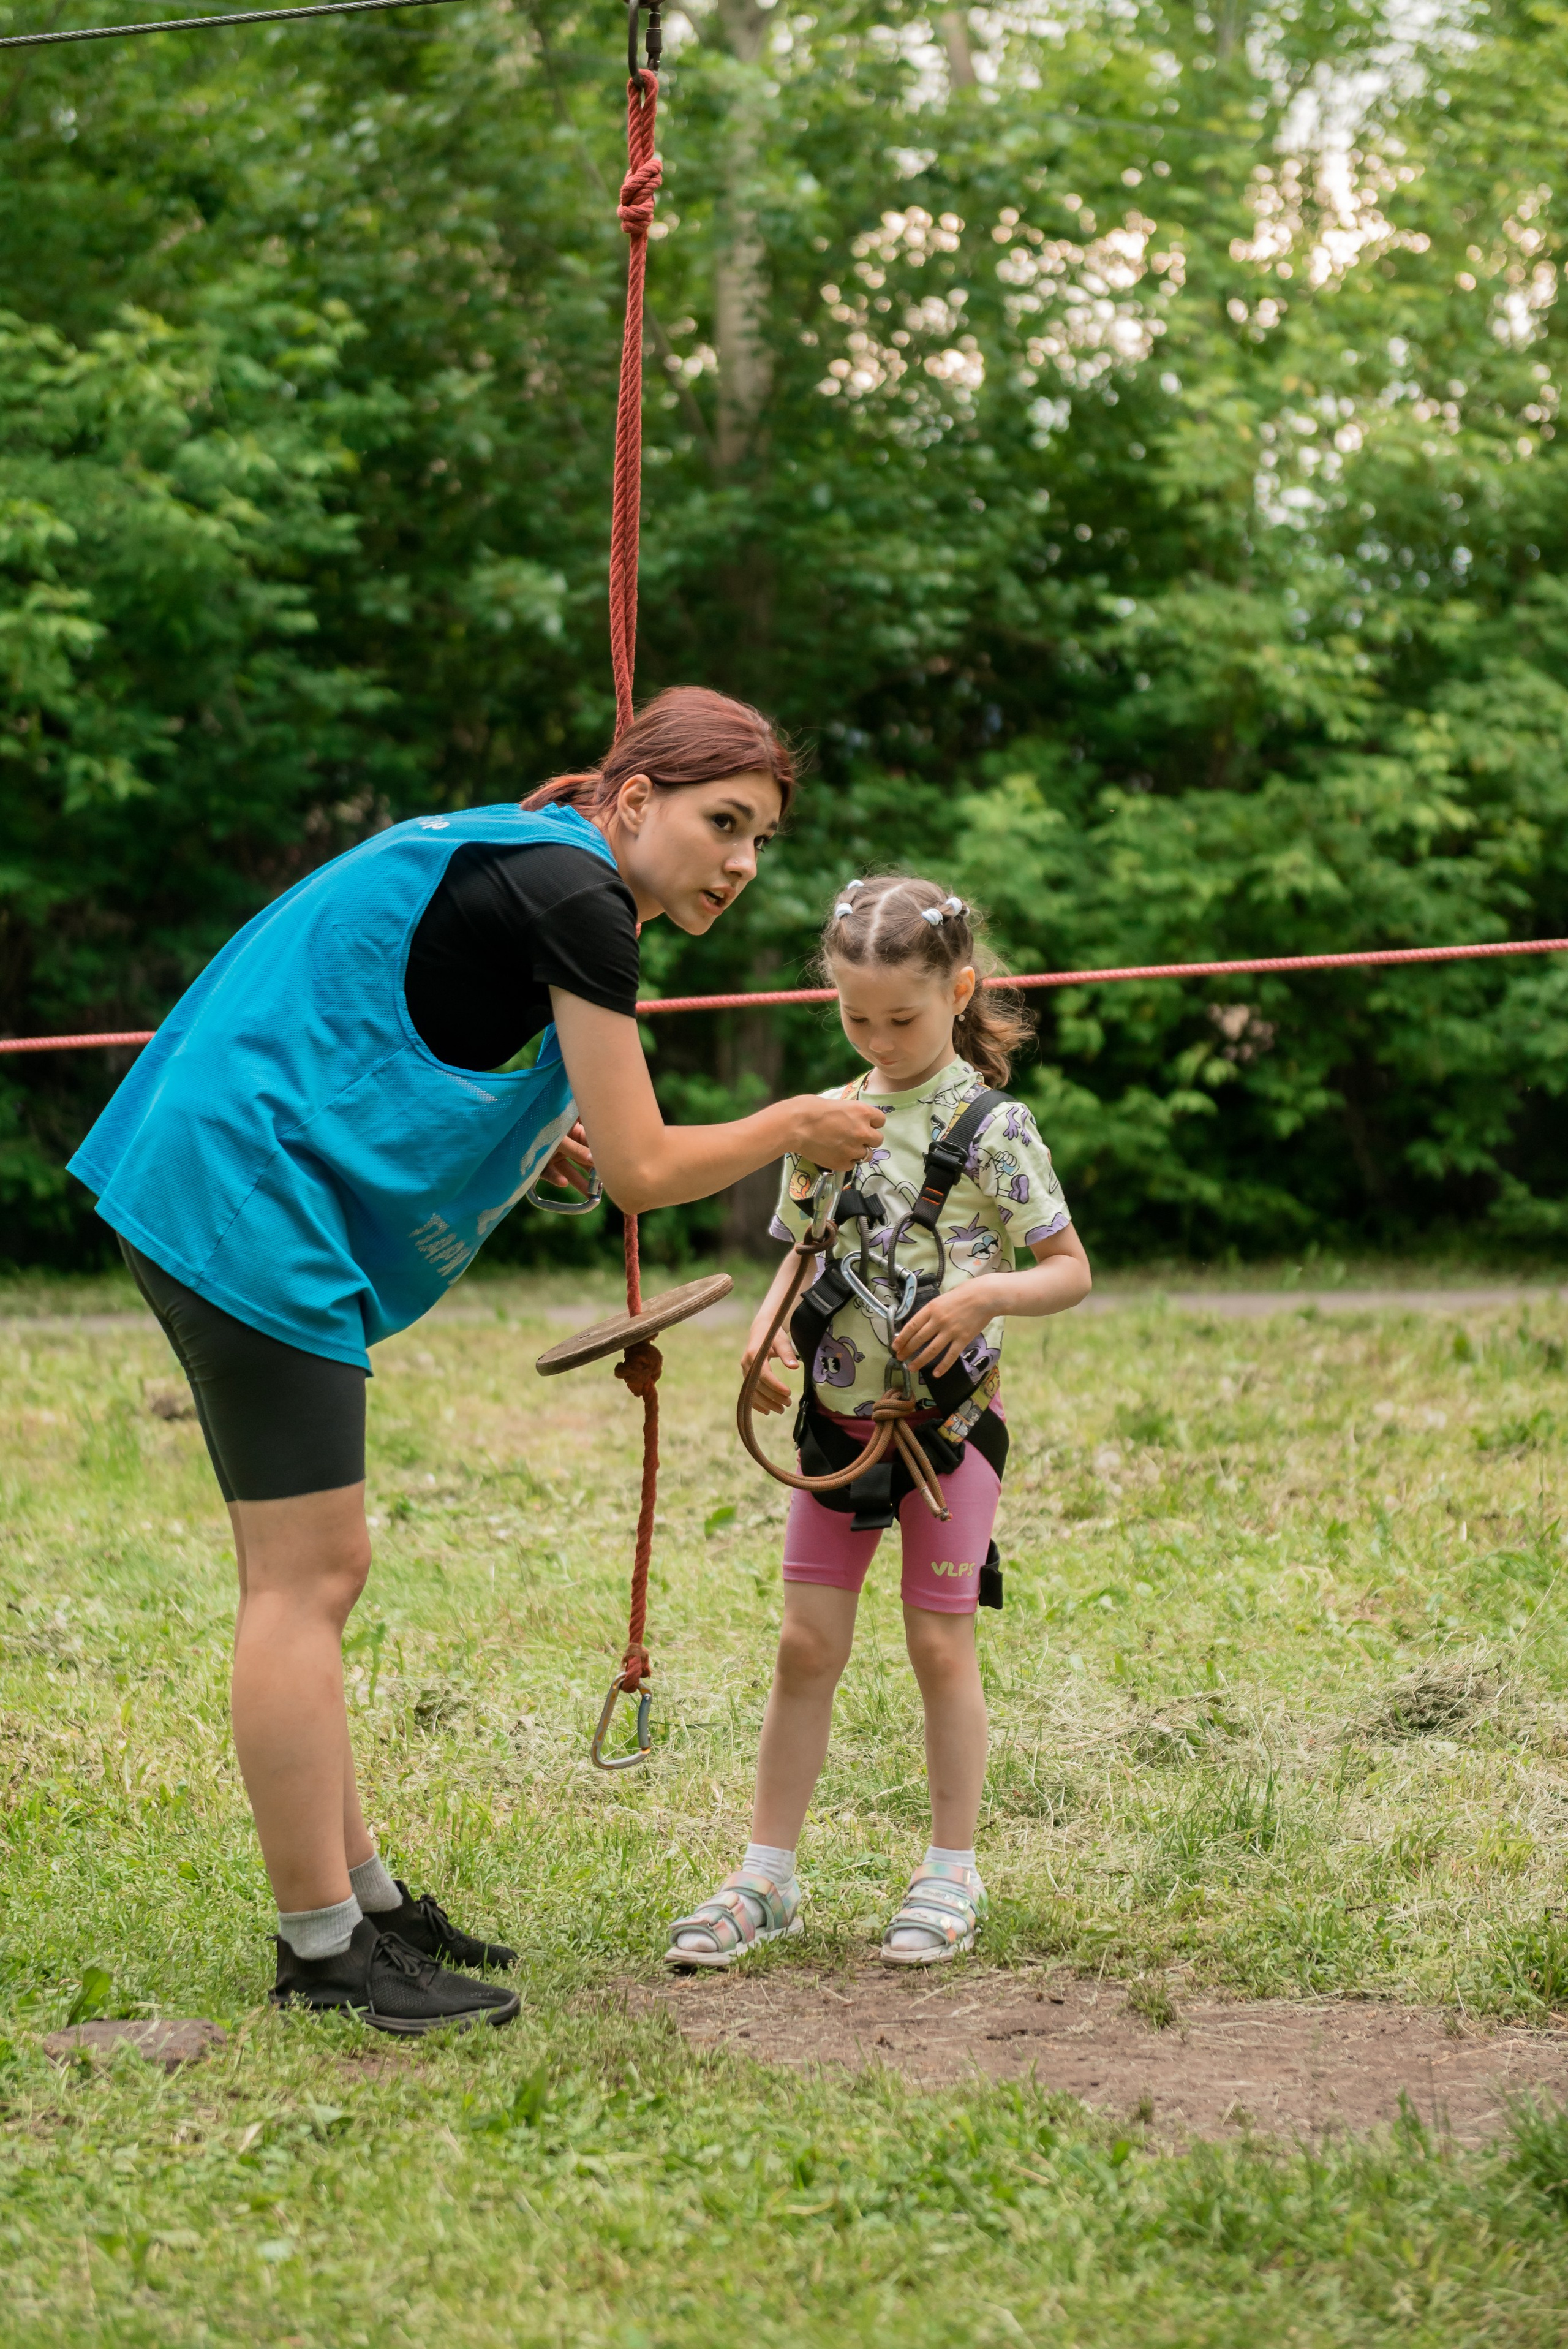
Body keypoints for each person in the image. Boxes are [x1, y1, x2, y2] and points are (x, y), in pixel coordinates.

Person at [67, 687, 884, 2033]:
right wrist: (787, 1123)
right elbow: (643, 1170)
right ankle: (324, 1957)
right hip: (239, 1198)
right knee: (305, 1577)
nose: (740, 865)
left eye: (761, 841)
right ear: (633, 803)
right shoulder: (581, 901)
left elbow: (413, 1018)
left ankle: (367, 1904)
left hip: (235, 1176)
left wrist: (527, 1138)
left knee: (314, 1575)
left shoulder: (535, 849)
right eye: (721, 824)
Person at [665, 873, 1091, 1972]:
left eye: (902, 1016)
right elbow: (802, 1254)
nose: (880, 1038)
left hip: (944, 1438)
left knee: (938, 1642)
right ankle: (768, 1873)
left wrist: (984, 1296)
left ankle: (952, 1868)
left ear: (961, 991)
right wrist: (767, 1343)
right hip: (834, 1430)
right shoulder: (829, 1124)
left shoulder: (997, 1129)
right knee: (806, 1643)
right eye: (857, 1017)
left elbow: (1069, 1272)